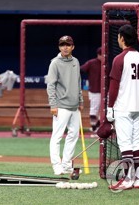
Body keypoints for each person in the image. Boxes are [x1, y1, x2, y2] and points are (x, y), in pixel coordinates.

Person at [106, 24, 139, 190]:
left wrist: (109, 108)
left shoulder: (119, 59)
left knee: (125, 145)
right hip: (138, 106)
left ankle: (127, 179)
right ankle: (137, 179)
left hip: (123, 106)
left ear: (121, 38)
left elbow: (114, 87)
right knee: (136, 143)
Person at [46, 35, 84, 175]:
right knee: (57, 136)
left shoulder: (76, 61)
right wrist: (53, 105)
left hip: (74, 107)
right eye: (62, 45)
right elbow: (51, 86)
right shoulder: (55, 63)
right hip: (61, 106)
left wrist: (80, 101)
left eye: (68, 45)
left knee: (73, 136)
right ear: (59, 47)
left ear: (72, 47)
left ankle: (67, 164)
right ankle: (57, 166)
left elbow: (78, 82)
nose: (65, 47)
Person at [80, 47, 102, 133]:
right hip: (94, 90)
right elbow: (81, 69)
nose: (103, 56)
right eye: (101, 55)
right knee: (94, 109)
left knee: (105, 111)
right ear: (98, 55)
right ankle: (94, 128)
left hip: (105, 91)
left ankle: (98, 128)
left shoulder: (107, 63)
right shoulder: (92, 63)